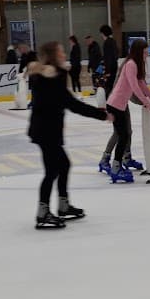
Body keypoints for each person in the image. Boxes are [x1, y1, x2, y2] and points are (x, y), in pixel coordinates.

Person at [28, 41, 111, 229]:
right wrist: (102, 114)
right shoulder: (52, 77)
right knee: (52, 171)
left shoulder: (44, 76)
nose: (64, 54)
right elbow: (72, 104)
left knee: (63, 165)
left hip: (46, 130)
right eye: (61, 52)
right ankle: (43, 213)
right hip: (46, 131)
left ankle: (63, 206)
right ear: (53, 55)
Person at [106, 38, 150, 183]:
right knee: (123, 135)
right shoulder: (130, 65)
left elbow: (142, 85)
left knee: (124, 135)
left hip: (120, 105)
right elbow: (134, 87)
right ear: (138, 51)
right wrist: (147, 102)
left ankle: (117, 165)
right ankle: (116, 168)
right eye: (144, 51)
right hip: (115, 105)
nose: (147, 54)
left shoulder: (138, 64)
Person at [99, 24, 119, 96]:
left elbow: (108, 58)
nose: (100, 35)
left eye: (101, 33)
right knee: (110, 86)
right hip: (114, 66)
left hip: (110, 68)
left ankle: (109, 103)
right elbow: (116, 54)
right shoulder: (113, 41)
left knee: (108, 87)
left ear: (103, 33)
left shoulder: (107, 43)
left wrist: (107, 71)